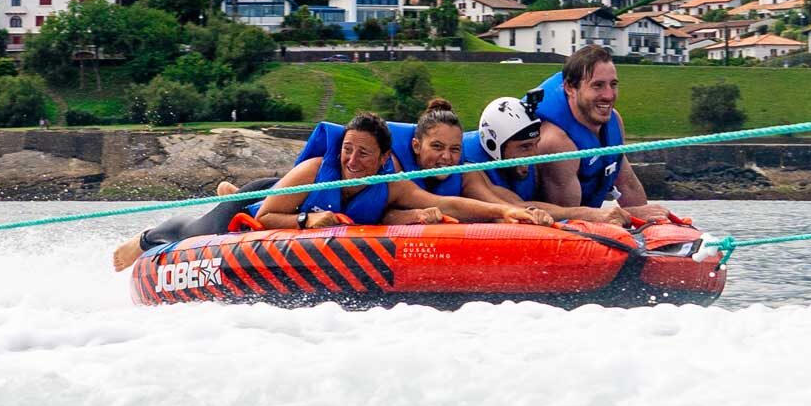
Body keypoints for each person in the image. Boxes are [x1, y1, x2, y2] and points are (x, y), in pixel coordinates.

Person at [111, 112, 542, 270]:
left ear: (384, 158)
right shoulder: (319, 168)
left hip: (288, 202)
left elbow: (444, 203)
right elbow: (263, 220)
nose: (354, 162)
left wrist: (503, 214)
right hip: (266, 200)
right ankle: (146, 239)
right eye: (349, 151)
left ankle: (229, 188)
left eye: (364, 155)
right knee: (198, 228)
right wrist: (307, 220)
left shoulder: (389, 182)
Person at [528, 45, 669, 221]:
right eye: (598, 86)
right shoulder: (557, 143)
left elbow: (627, 184)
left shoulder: (614, 121)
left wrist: (652, 223)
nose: (609, 95)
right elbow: (569, 221)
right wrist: (633, 215)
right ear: (570, 88)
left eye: (613, 85)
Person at [460, 96, 622, 223]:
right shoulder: (470, 166)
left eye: (535, 144)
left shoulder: (523, 164)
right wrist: (590, 214)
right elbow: (515, 206)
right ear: (493, 144)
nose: (534, 155)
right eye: (524, 147)